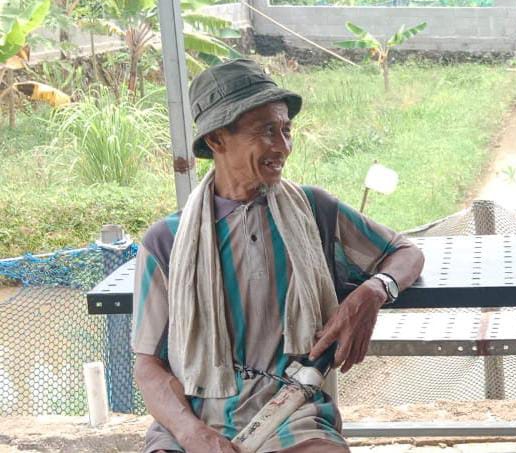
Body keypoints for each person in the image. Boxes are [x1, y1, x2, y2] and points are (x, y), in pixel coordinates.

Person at [131, 59, 424, 453]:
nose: (283, 147)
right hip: (196, 416)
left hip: (293, 409)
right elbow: (147, 364)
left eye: (286, 130)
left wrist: (373, 291)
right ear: (217, 140)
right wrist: (191, 433)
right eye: (267, 131)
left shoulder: (315, 211)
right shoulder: (166, 240)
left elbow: (405, 252)